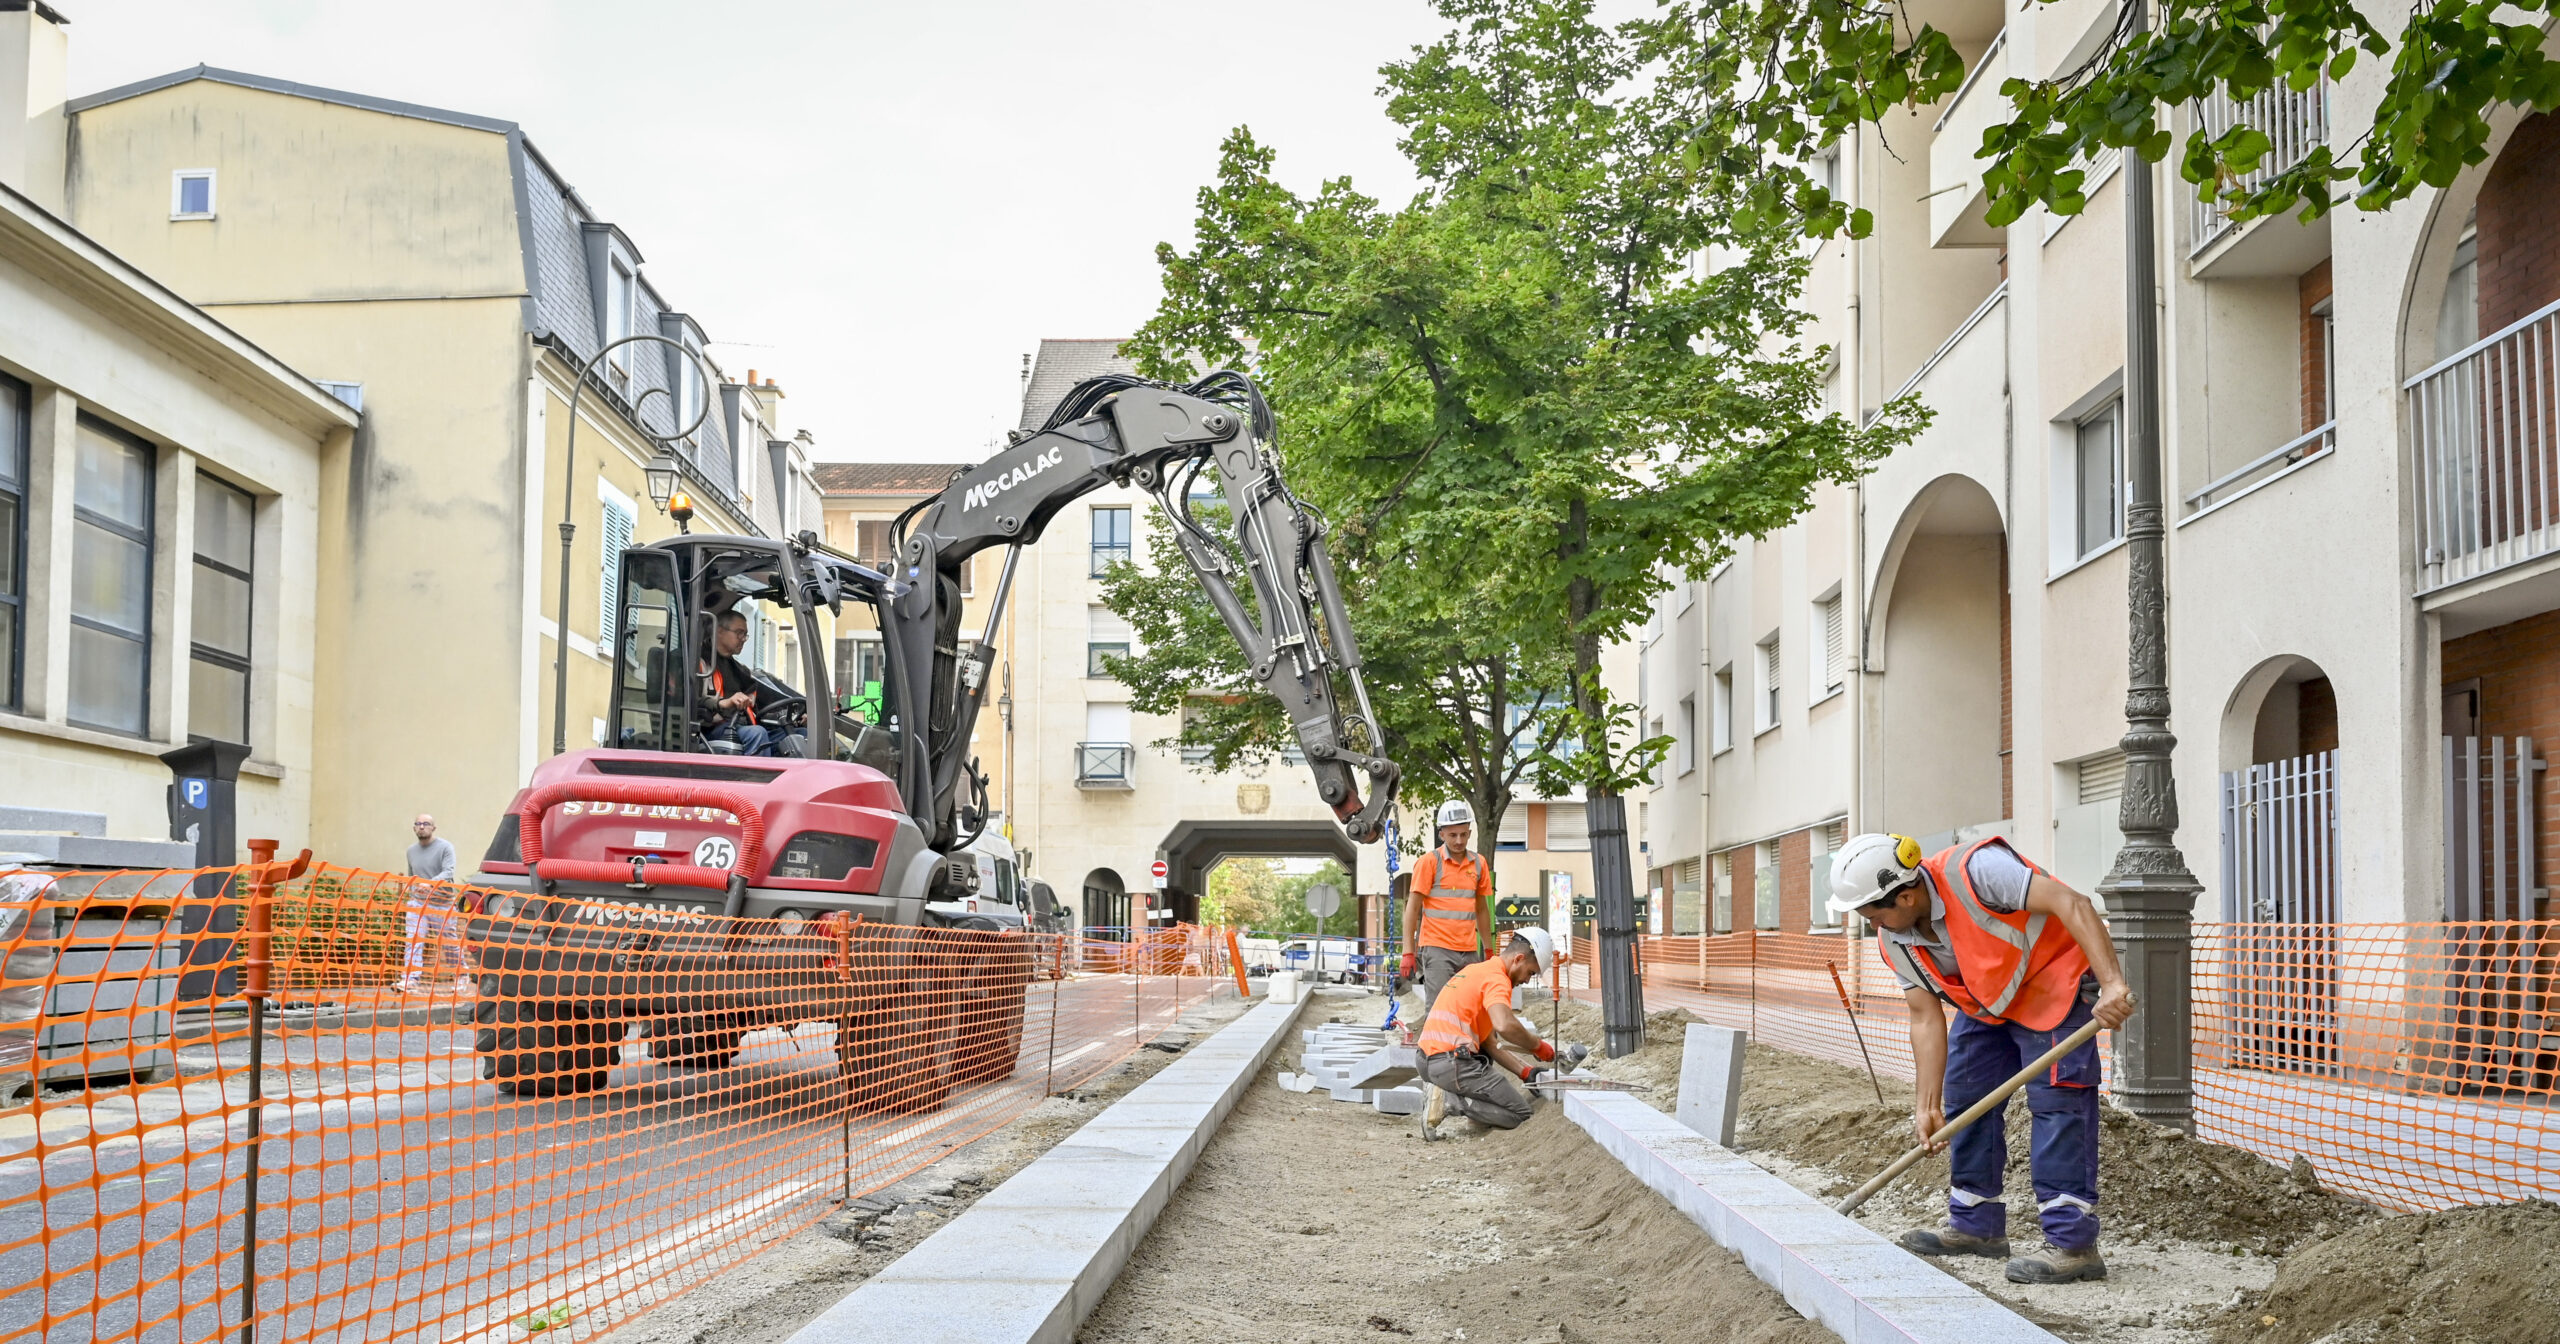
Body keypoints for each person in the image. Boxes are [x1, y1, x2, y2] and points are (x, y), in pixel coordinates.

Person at [1826, 832, 2138, 1285]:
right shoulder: (1895, 937)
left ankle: (2073, 1244)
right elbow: (1925, 1018)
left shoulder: (1977, 871)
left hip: (2055, 985)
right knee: (1965, 1100)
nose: (1872, 924)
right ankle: (1977, 1225)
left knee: (2058, 1105)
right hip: (1990, 1005)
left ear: (1906, 896)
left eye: (1873, 914)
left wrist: (2111, 984)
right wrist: (1926, 1105)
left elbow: (2073, 903)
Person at [1414, 927, 1584, 1138]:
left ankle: (1462, 1108)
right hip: (1451, 1064)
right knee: (1519, 1114)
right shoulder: (1497, 979)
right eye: (1530, 972)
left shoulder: (1477, 971)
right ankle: (1450, 1102)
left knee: (1485, 1059)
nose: (1527, 980)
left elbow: (1490, 1044)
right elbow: (1505, 1025)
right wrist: (1537, 1046)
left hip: (1426, 1061)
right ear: (1518, 959)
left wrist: (1525, 1072)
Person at [1397, 800, 1494, 1028]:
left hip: (1469, 951)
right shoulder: (1429, 863)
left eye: (1463, 834)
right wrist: (1408, 951)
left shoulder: (1479, 864)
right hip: (1437, 949)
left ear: (1470, 832)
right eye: (1452, 835)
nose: (1459, 841)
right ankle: (1434, 1050)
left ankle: (1463, 1049)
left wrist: (1489, 950)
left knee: (1469, 1008)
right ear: (1441, 834)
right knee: (1439, 1010)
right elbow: (1412, 908)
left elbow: (1481, 909)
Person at [398, 814, 466, 993]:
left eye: (426, 824)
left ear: (433, 828)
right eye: (418, 824)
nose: (422, 827)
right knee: (414, 939)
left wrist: (429, 883)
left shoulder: (445, 847)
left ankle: (461, 975)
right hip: (418, 903)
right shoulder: (411, 851)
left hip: (442, 904)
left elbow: (448, 872)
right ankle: (410, 980)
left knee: (448, 943)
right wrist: (414, 890)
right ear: (414, 828)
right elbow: (412, 875)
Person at [698, 609, 774, 756]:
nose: (743, 639)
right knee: (757, 734)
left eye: (745, 635)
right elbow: (688, 702)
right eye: (739, 633)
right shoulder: (697, 663)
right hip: (708, 730)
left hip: (739, 726)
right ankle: (754, 772)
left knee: (798, 734)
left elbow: (763, 705)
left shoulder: (741, 671)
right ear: (719, 631)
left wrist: (794, 715)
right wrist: (723, 703)